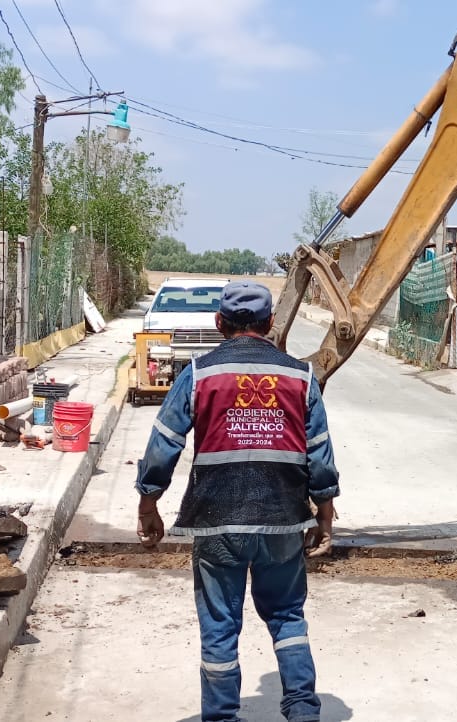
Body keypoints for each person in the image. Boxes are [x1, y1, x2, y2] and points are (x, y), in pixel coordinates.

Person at [134, 280, 339, 722]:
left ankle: (222, 717)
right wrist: (324, 514)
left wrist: (148, 503)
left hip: (216, 521)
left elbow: (164, 443)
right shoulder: (300, 377)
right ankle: (303, 709)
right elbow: (320, 454)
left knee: (220, 626)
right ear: (270, 323)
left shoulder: (199, 374)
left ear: (219, 323)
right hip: (283, 520)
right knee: (287, 616)